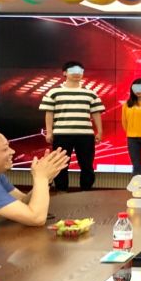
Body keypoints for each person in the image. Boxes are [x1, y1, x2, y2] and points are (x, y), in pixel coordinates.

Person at [40, 61, 105, 191]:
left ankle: (86, 191)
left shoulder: (90, 93)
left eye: (80, 71)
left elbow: (96, 113)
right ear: (64, 73)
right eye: (73, 71)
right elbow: (49, 113)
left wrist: (100, 131)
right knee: (61, 165)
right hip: (62, 134)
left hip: (85, 135)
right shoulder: (54, 92)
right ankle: (61, 192)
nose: (76, 74)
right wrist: (49, 132)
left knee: (87, 165)